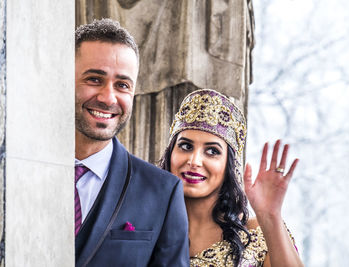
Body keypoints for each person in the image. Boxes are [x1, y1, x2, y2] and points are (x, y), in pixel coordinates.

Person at [74, 19, 189, 267]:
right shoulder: (11, 170)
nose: (108, 98)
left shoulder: (163, 192)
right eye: (94, 79)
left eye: (123, 85)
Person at [160, 89, 304, 267]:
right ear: (170, 155)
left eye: (212, 151)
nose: (194, 161)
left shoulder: (257, 234)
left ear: (229, 166)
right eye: (186, 146)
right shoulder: (146, 225)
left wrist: (270, 217)